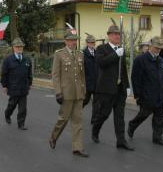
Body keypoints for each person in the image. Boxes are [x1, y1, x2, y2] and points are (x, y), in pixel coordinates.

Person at [90, 25, 134, 150]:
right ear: (109, 35)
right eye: (115, 34)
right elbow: (101, 63)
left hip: (119, 90)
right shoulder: (101, 48)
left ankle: (121, 141)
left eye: (119, 34)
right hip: (106, 90)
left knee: (120, 117)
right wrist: (115, 54)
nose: (117, 36)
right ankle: (95, 129)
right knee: (103, 114)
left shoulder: (122, 50)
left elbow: (123, 70)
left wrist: (127, 86)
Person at [49, 30, 89, 158]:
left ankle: (77, 148)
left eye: (75, 40)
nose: (73, 42)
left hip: (78, 93)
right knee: (63, 119)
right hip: (66, 93)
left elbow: (82, 75)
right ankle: (54, 136)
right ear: (65, 41)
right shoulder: (59, 54)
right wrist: (58, 92)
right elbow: (55, 75)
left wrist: (84, 90)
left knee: (78, 120)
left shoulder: (80, 54)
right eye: (71, 40)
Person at [128, 36, 163, 146]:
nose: (158, 50)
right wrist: (137, 94)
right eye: (156, 48)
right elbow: (135, 78)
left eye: (160, 48)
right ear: (150, 46)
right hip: (147, 95)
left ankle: (157, 137)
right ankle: (132, 125)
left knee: (159, 117)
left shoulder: (161, 61)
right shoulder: (140, 60)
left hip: (160, 95)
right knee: (144, 114)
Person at [0, 37, 33, 130]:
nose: (19, 48)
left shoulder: (27, 59)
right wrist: (4, 86)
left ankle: (21, 124)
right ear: (13, 48)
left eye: (21, 47)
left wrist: (30, 83)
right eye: (17, 47)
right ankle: (7, 114)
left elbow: (29, 73)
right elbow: (4, 74)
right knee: (12, 105)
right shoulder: (8, 60)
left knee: (23, 108)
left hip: (23, 87)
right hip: (13, 87)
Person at [82, 34, 98, 108]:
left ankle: (95, 119)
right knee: (84, 101)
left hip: (96, 83)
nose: (92, 44)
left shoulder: (97, 53)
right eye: (90, 42)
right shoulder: (82, 54)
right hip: (87, 83)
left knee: (96, 103)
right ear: (87, 43)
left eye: (93, 42)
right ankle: (76, 115)